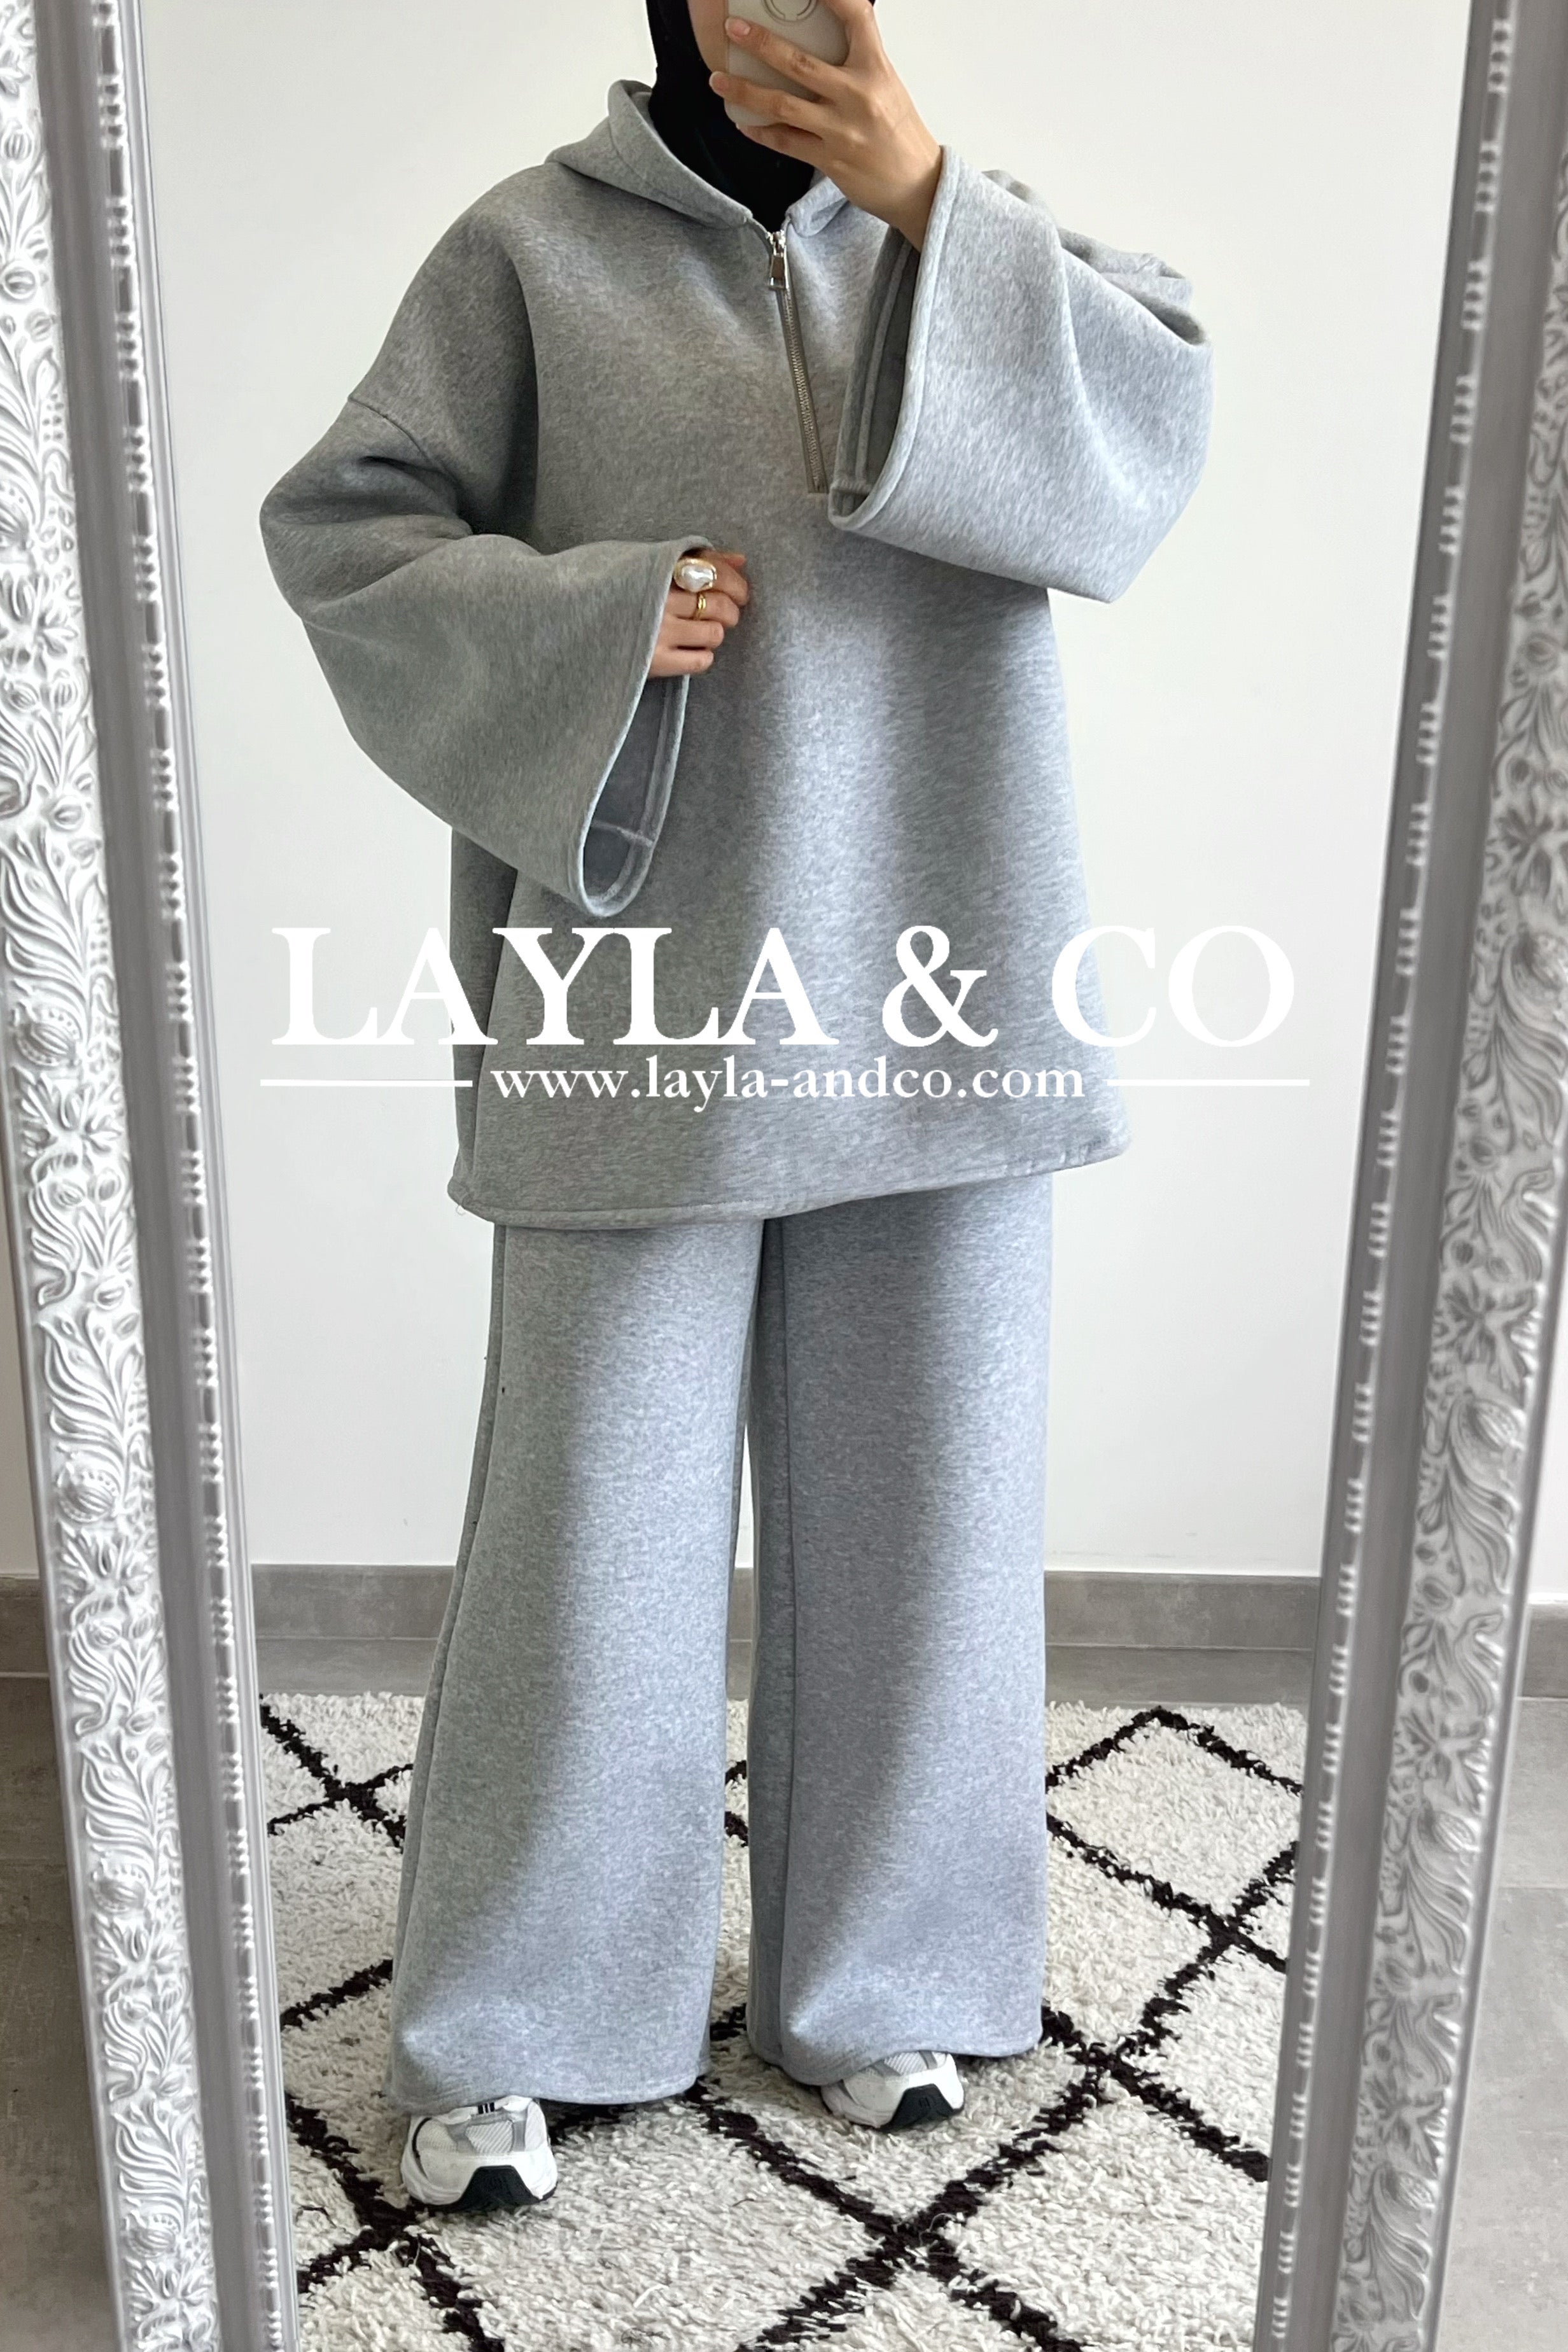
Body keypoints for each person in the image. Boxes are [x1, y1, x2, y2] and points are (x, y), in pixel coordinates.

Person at [259, 0, 1212, 2213]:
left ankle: (887, 1984)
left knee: (932, 1515)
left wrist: (927, 198)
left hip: (946, 979)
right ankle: (518, 2014)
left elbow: (1143, 455)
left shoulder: (983, 243)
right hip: (644, 998)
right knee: (591, 1530)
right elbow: (349, 531)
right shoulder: (526, 255)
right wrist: (599, 620)